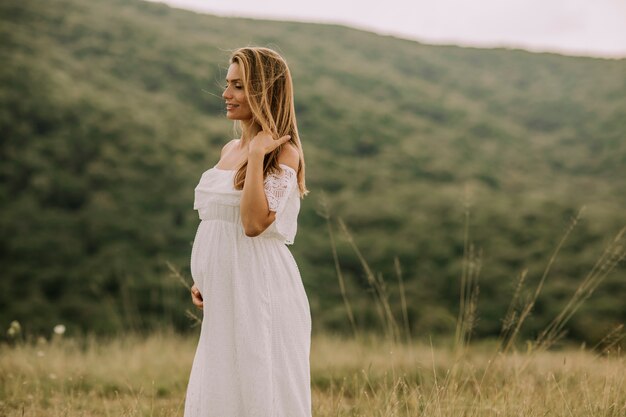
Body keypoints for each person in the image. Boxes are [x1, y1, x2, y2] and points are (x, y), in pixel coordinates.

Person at [183, 46, 312, 417]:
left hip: (260, 287)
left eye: (238, 86)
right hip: (225, 291)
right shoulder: (227, 148)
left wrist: (257, 156)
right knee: (223, 381)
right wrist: (206, 276)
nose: (226, 94)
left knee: (260, 382)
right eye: (228, 84)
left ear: (265, 92)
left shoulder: (282, 154)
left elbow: (254, 224)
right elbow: (218, 223)